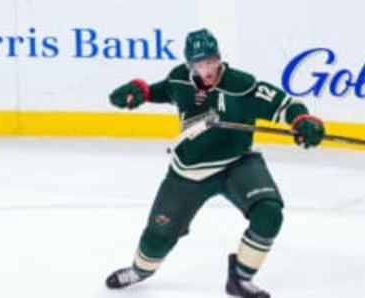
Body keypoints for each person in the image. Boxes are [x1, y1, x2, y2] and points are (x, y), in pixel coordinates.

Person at [105, 28, 324, 298]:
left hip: (238, 163)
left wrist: (302, 121)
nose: (207, 69)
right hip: (189, 171)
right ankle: (140, 271)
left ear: (219, 58)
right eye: (199, 63)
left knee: (269, 213)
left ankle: (240, 279)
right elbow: (160, 91)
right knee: (158, 235)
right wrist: (138, 92)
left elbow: (285, 105)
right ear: (190, 64)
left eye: (211, 61)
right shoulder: (180, 79)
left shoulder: (242, 85)